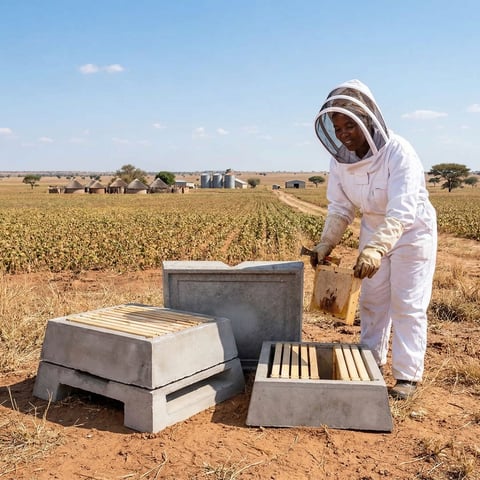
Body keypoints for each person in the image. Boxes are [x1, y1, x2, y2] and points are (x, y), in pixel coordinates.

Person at [312, 79, 437, 400]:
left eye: (349, 125)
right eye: (337, 128)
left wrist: (378, 248)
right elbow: (340, 207)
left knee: (407, 303)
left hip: (411, 231)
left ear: (368, 120)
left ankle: (407, 377)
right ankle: (370, 362)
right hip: (373, 229)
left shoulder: (399, 152)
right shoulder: (340, 161)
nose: (343, 134)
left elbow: (403, 209)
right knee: (372, 300)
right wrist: (326, 243)